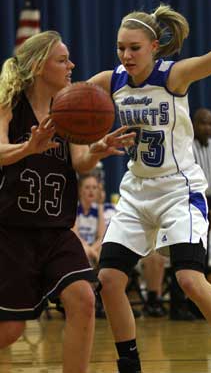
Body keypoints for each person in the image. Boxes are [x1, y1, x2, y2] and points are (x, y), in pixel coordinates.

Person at [89, 0, 211, 373]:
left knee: (188, 280)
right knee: (111, 279)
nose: (126, 56)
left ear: (154, 46)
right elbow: (68, 99)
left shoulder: (175, 76)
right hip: (135, 191)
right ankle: (129, 365)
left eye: (134, 48)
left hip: (178, 190)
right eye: (120, 49)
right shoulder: (110, 81)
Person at [0, 30, 135, 373]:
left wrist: (97, 150)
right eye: (62, 60)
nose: (72, 65)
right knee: (10, 330)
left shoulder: (70, 107)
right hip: (12, 231)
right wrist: (28, 148)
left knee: (84, 298)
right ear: (38, 65)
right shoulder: (9, 104)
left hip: (58, 230)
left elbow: (79, 162)